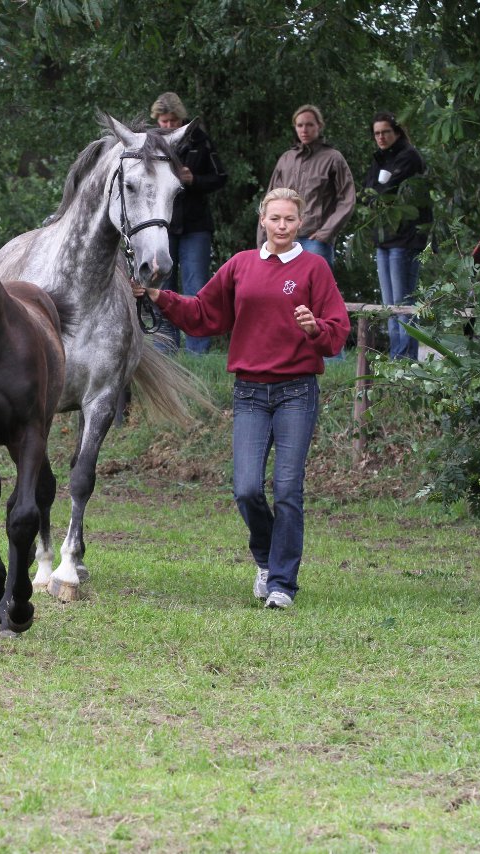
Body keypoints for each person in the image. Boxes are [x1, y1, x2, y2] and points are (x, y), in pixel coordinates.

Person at [135, 188, 349, 609]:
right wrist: (160, 297)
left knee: (288, 489)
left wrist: (314, 329)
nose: (282, 226)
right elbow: (202, 314)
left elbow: (338, 331)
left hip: (296, 391)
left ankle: (282, 585)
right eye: (275, 218)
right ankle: (266, 560)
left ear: (300, 223)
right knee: (246, 489)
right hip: (250, 392)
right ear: (263, 220)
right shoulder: (241, 265)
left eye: (290, 219)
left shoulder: (314, 268)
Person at [150, 92, 227, 355]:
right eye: (164, 121)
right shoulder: (150, 144)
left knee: (197, 288)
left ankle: (198, 350)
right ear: (157, 120)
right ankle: (164, 349)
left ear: (181, 118)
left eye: (173, 120)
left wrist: (194, 180)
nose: (169, 126)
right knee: (162, 287)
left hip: (195, 226)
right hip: (163, 226)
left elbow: (220, 177)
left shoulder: (200, 140)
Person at [364, 111, 431, 360]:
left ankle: (406, 361)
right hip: (383, 237)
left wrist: (379, 193)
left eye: (385, 132)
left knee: (403, 304)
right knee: (389, 305)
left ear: (397, 132)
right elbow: (369, 192)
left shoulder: (409, 157)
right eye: (377, 133)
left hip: (405, 238)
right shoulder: (379, 158)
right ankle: (395, 360)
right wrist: (378, 193)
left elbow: (386, 192)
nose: (380, 137)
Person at [259, 105, 355, 269]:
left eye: (310, 124)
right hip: (283, 237)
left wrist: (325, 233)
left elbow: (347, 199)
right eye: (300, 125)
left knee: (316, 292)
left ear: (319, 126)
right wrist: (262, 240)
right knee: (281, 290)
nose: (304, 129)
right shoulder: (286, 159)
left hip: (315, 240)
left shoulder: (333, 158)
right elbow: (269, 200)